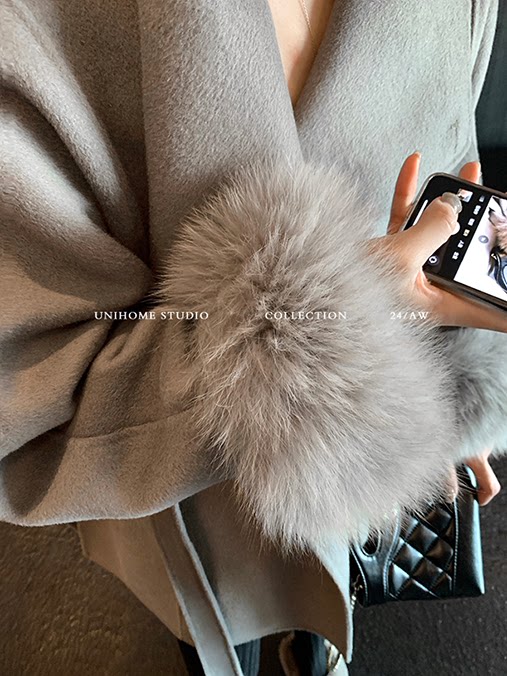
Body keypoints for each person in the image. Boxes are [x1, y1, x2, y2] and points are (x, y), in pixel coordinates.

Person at [1, 1, 506, 674]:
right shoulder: (33, 22)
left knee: (332, 599)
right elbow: (31, 390)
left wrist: (447, 384)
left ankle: (314, 640)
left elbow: (449, 160)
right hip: (189, 496)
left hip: (378, 451)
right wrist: (326, 327)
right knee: (221, 625)